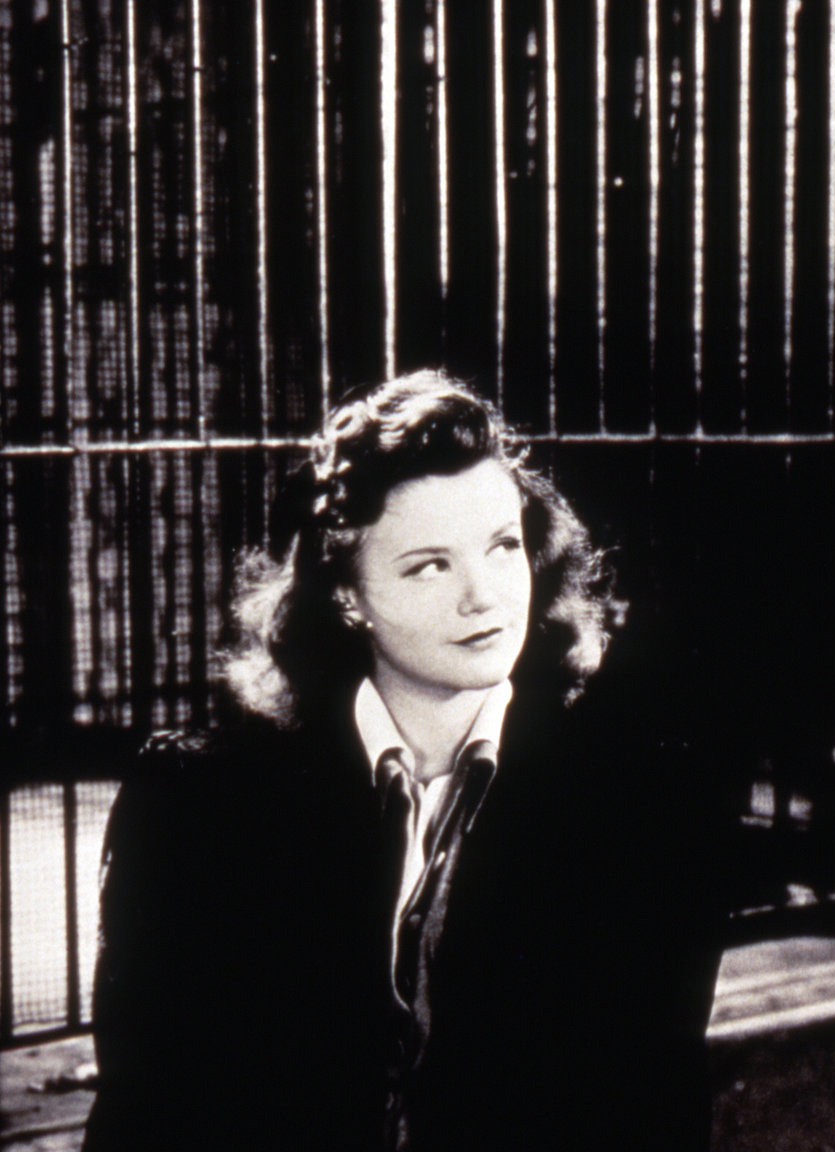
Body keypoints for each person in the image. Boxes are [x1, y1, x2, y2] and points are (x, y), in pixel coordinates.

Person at [85, 371, 721, 1151]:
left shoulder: (639, 805)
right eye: (430, 565)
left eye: (503, 547)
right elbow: (145, 1107)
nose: (484, 596)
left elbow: (655, 1107)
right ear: (348, 595)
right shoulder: (196, 804)